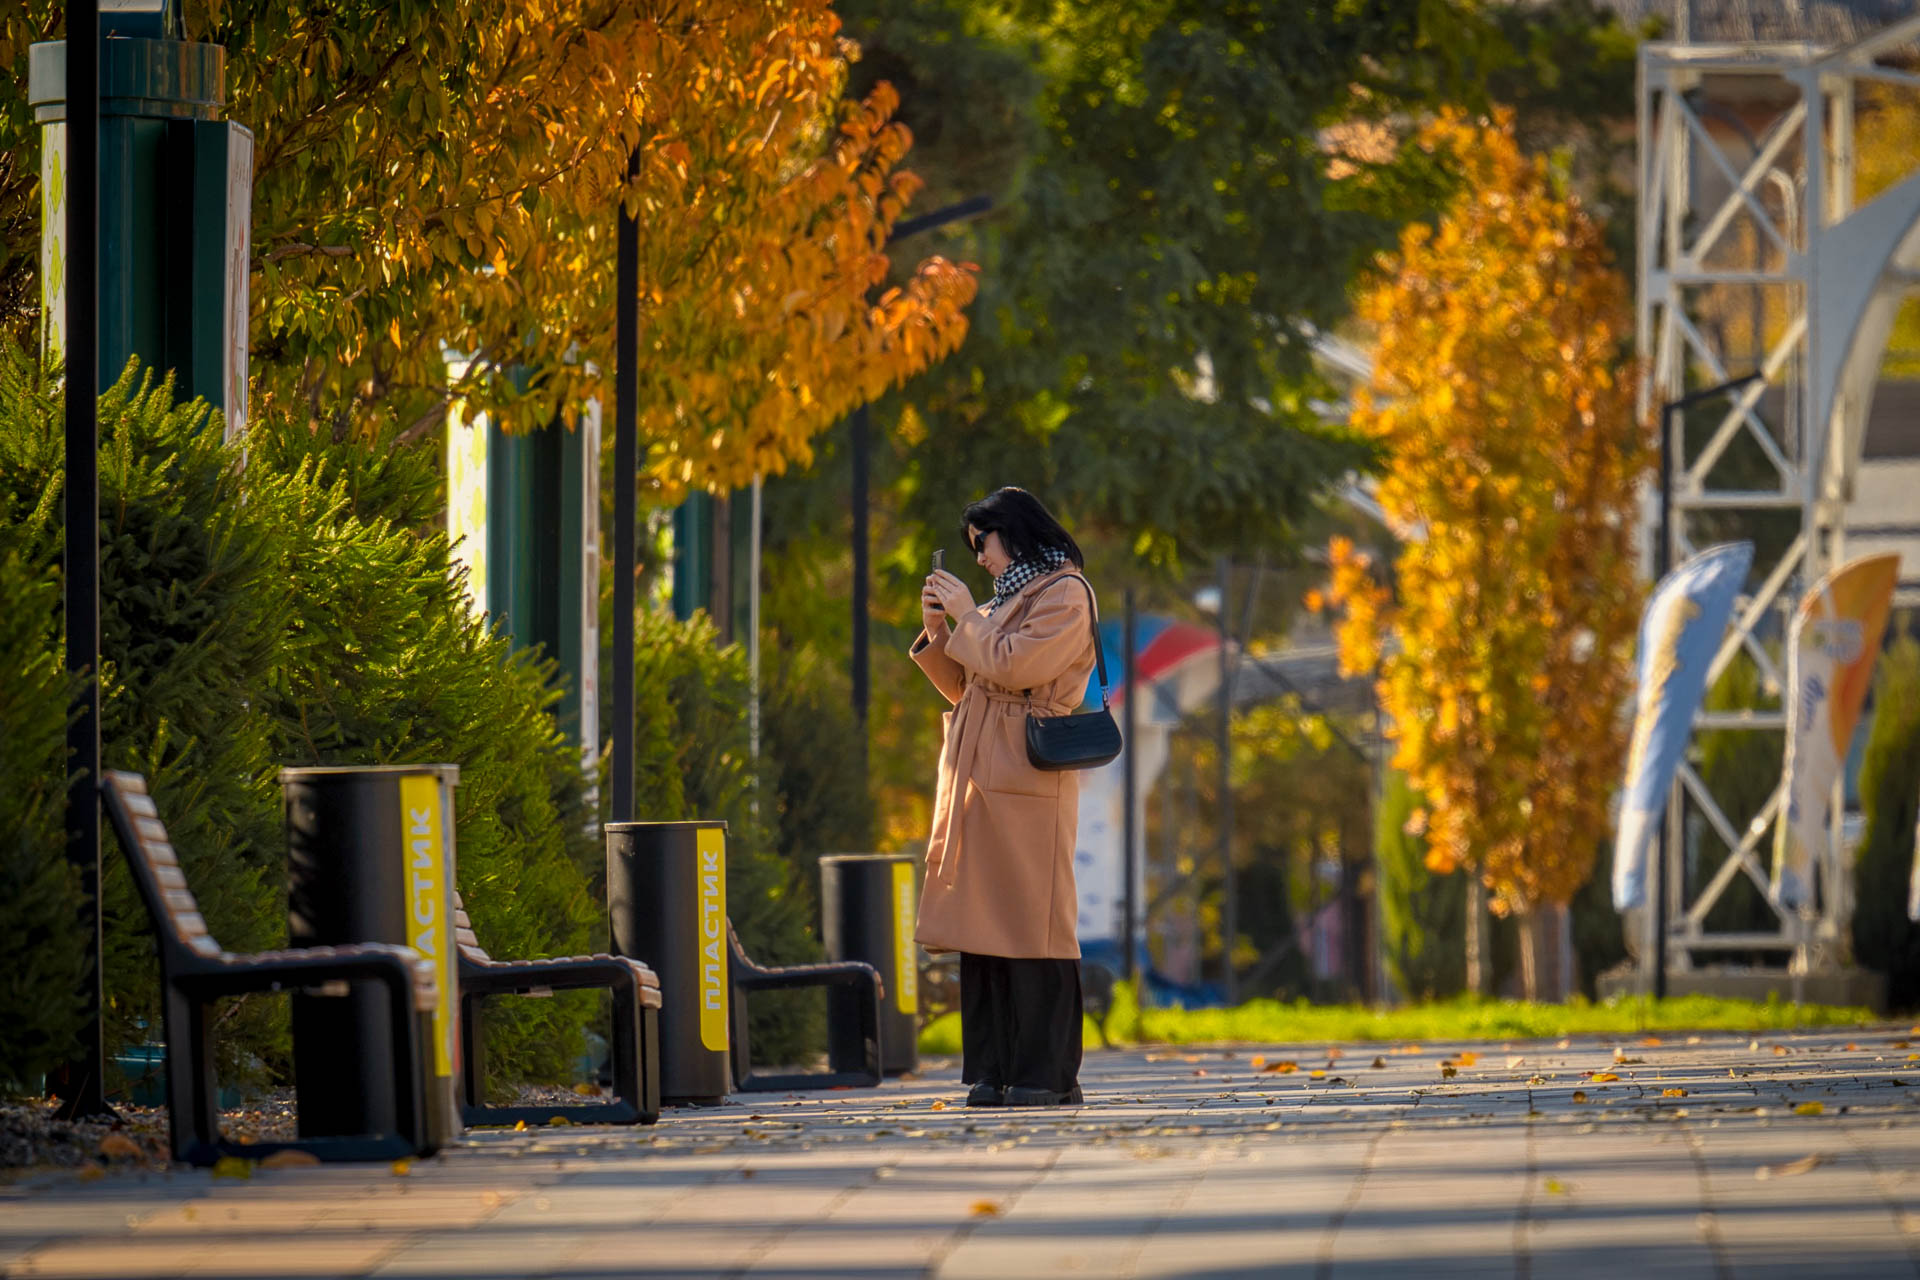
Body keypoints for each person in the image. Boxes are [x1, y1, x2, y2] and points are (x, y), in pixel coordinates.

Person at [911, 486, 1099, 1107]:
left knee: (1034, 924)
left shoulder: (1064, 594)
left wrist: (966, 617)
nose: (981, 560)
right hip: (978, 772)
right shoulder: (1006, 598)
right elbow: (968, 686)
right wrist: (939, 631)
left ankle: (1046, 1075)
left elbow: (1018, 668)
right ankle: (993, 1069)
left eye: (983, 545)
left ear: (1013, 535)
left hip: (1025, 774)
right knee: (982, 923)